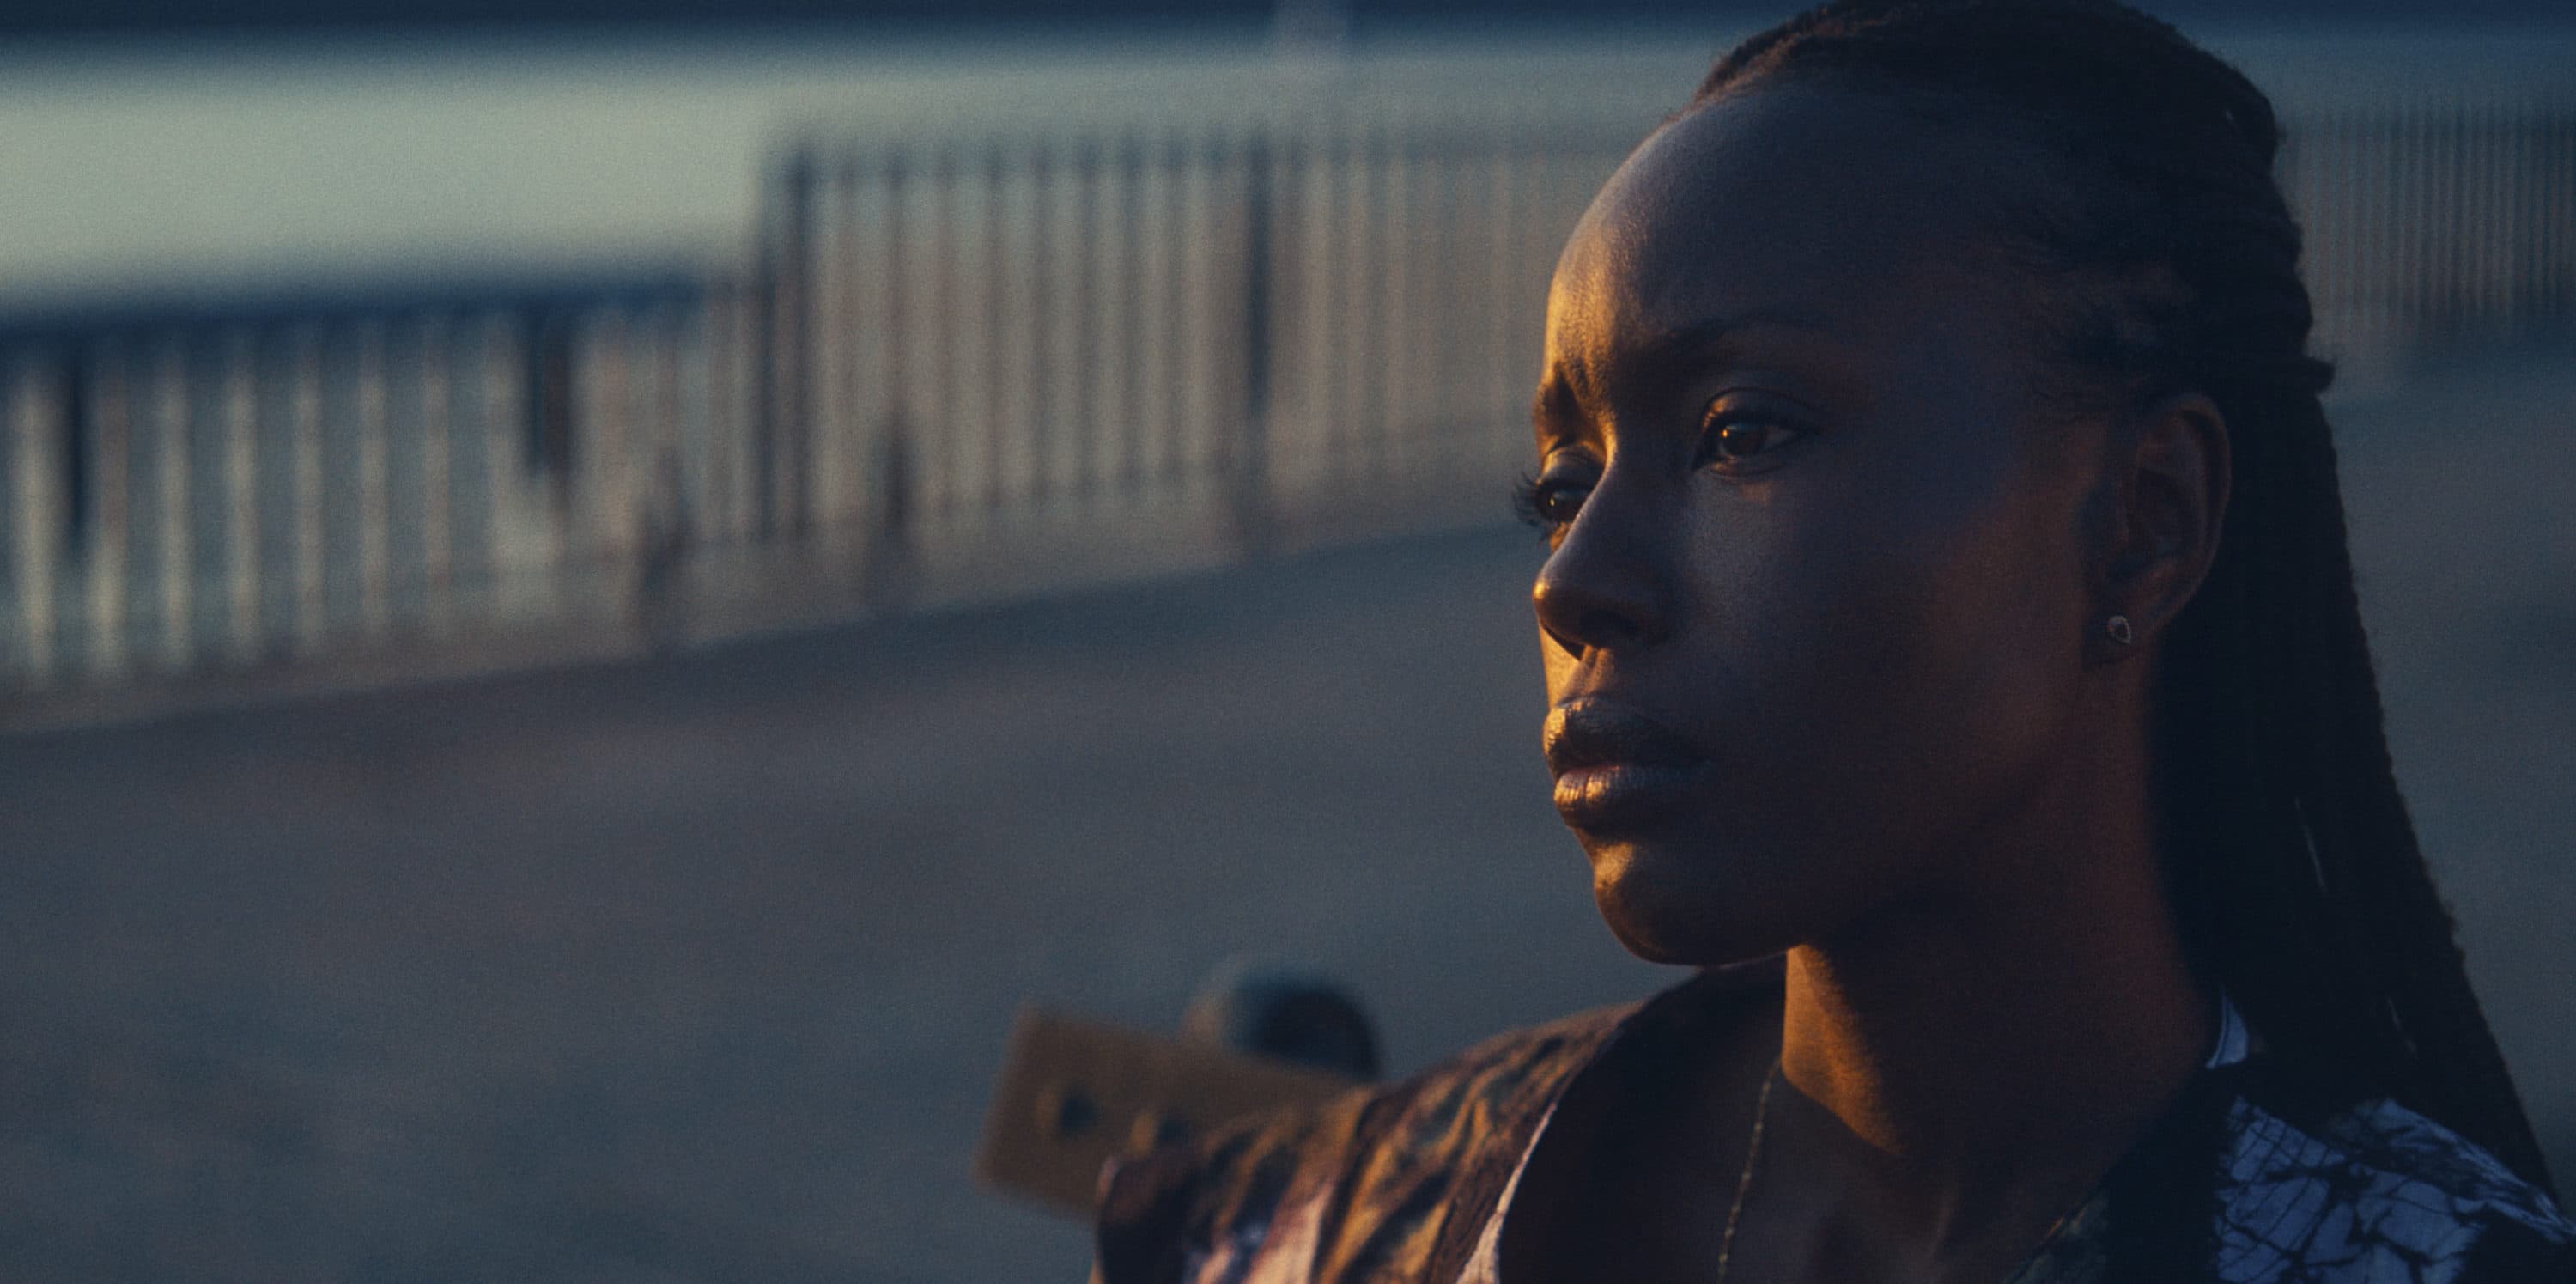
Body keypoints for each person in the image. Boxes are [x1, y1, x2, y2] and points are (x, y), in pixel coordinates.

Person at [1091, 2, 2576, 1279]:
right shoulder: (1366, 1213)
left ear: (2143, 519)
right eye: (1562, 485)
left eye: (1742, 434)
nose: (1573, 582)